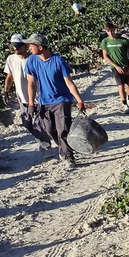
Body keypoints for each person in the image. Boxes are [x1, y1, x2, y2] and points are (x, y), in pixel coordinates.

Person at [23, 33, 88, 165]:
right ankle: (64, 146)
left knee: (63, 129)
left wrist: (79, 100)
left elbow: (69, 83)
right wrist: (31, 104)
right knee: (49, 129)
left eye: (31, 45)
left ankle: (68, 156)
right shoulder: (32, 61)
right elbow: (31, 83)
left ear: (40, 47)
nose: (29, 47)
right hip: (43, 101)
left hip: (61, 100)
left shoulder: (58, 61)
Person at [99, 21, 129, 111]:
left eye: (111, 30)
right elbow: (105, 56)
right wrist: (115, 66)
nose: (110, 32)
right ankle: (124, 104)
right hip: (115, 67)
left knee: (128, 84)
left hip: (125, 65)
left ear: (114, 29)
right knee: (120, 85)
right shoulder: (105, 42)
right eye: (108, 31)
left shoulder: (123, 40)